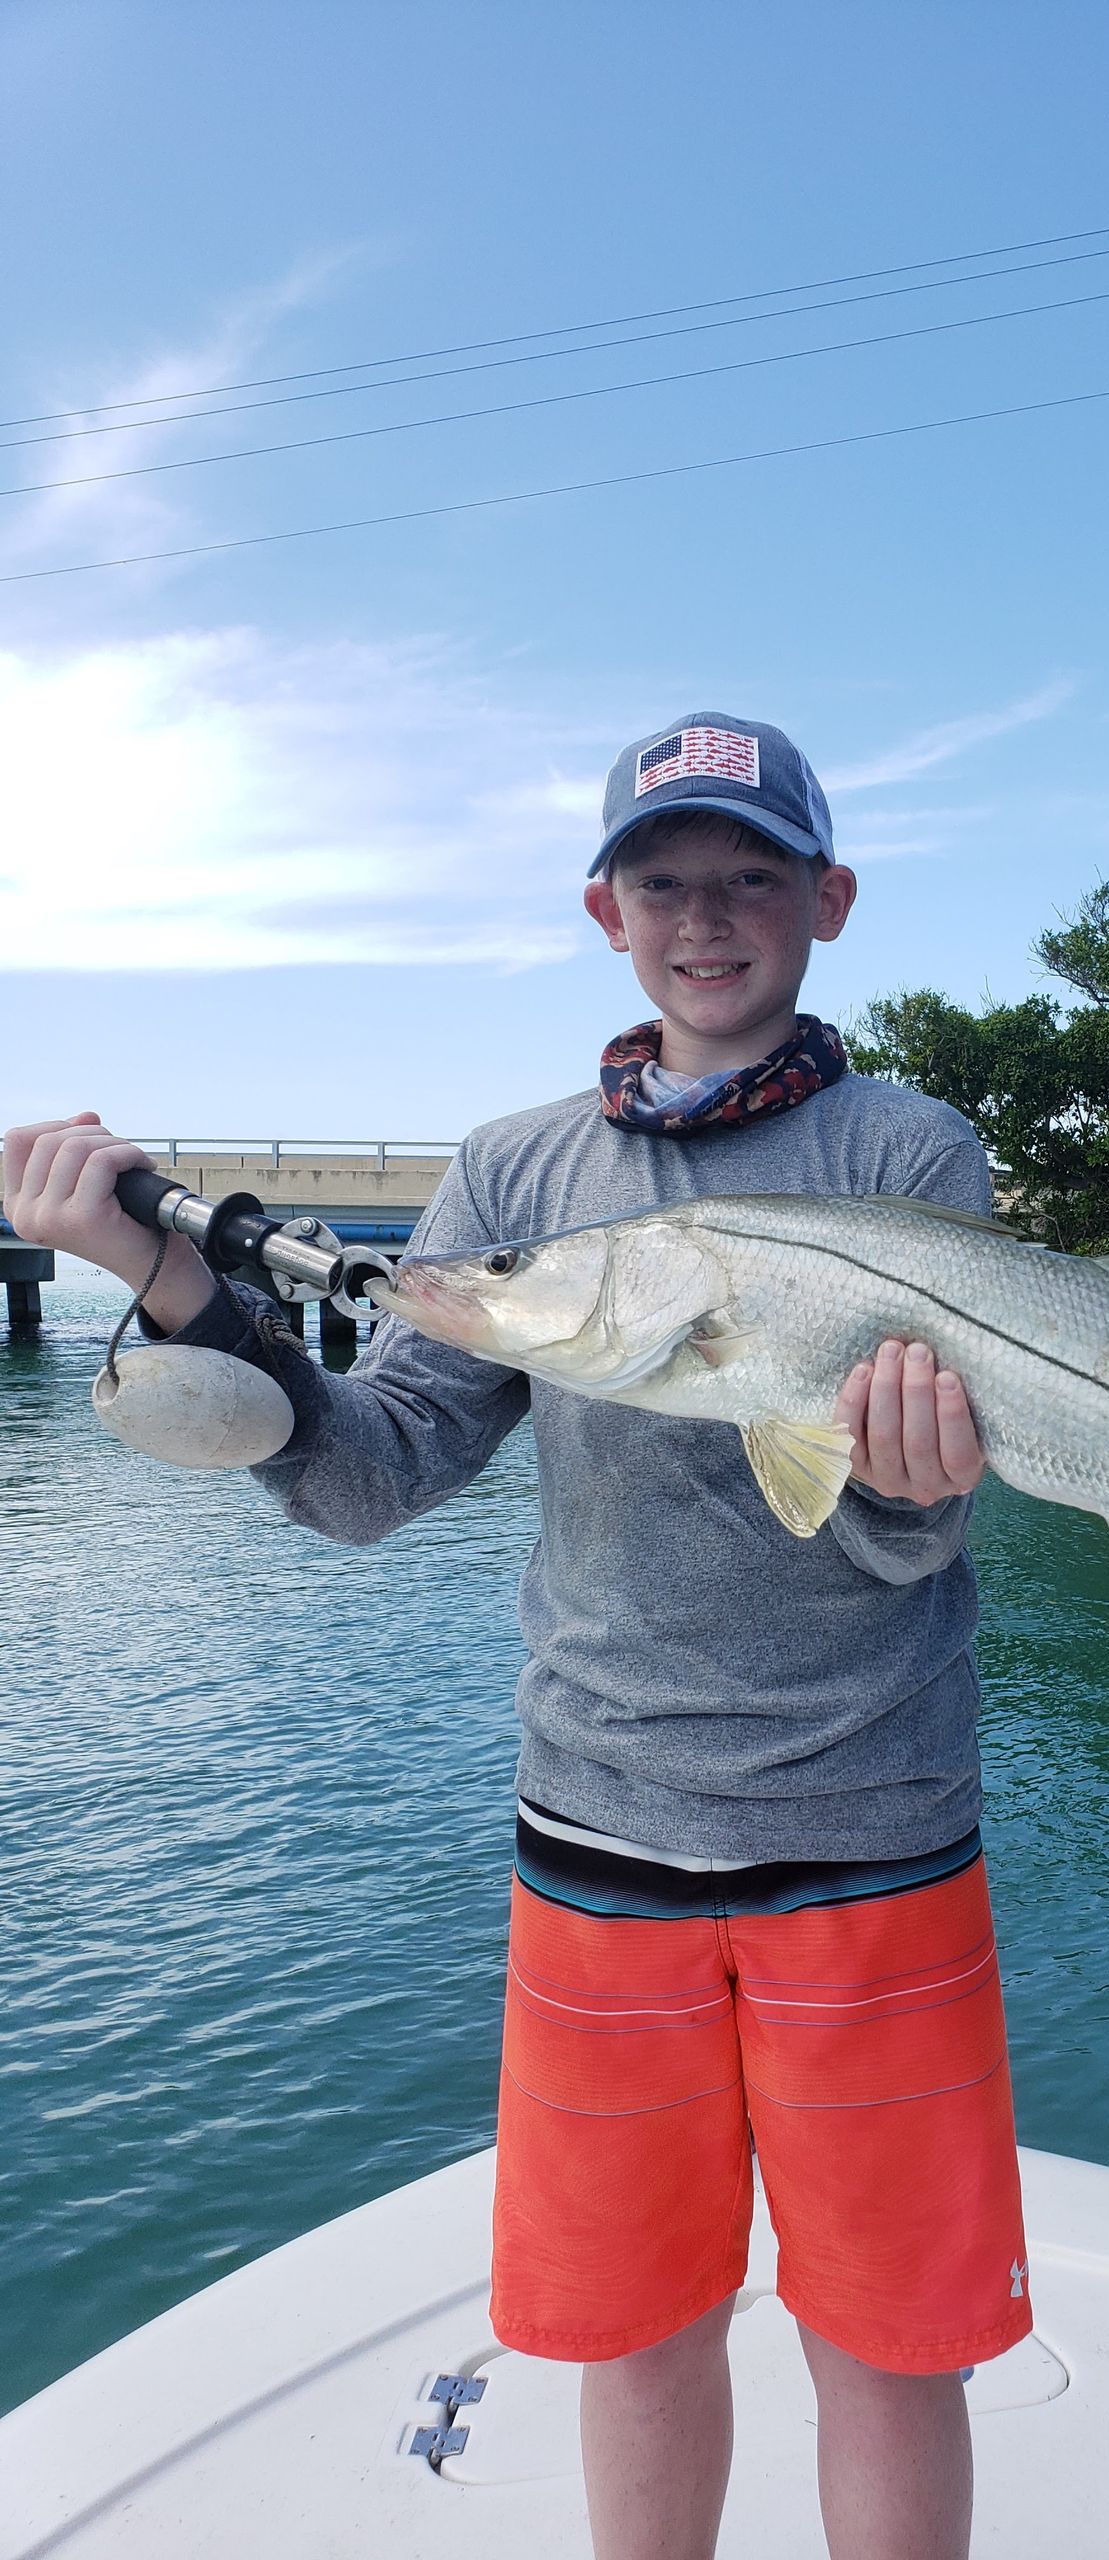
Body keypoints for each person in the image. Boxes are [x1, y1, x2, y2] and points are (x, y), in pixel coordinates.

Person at [3, 713, 1030, 2560]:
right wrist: (173, 1286)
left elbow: (910, 1538)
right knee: (633, 2334)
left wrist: (905, 1483)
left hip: (875, 1837)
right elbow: (370, 1474)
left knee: (892, 2347)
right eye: (664, 883)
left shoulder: (911, 1148)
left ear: (831, 901)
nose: (705, 918)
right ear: (603, 913)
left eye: (750, 878)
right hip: (597, 1843)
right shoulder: (514, 1175)